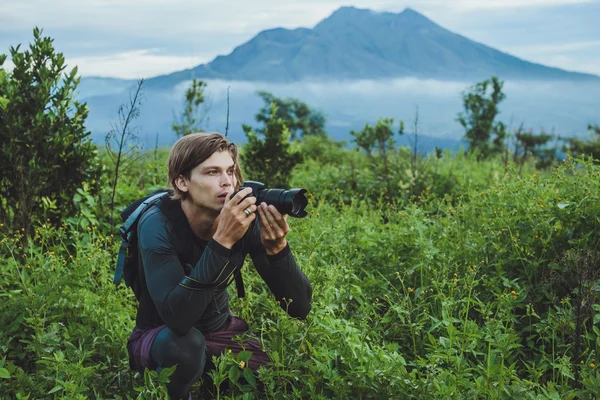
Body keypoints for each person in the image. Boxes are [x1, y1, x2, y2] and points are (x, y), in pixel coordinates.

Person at [126, 132, 312, 399]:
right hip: (161, 337)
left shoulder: (245, 220)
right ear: (182, 181)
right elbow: (178, 321)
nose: (227, 183)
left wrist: (279, 249)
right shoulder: (157, 224)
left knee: (278, 382)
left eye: (231, 171)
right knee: (188, 345)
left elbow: (299, 308)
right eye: (212, 172)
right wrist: (223, 239)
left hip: (220, 332)